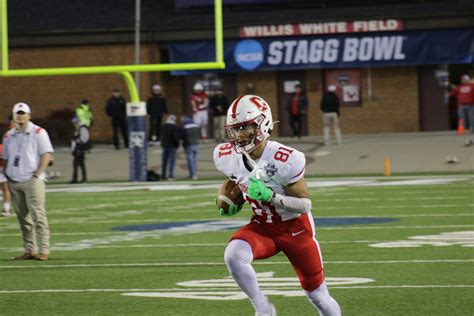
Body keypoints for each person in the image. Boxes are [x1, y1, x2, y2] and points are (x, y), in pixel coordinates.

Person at [213, 95, 341, 316]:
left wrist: (270, 196)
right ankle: (263, 309)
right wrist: (237, 198)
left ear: (262, 124)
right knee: (234, 255)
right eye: (235, 129)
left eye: (245, 128)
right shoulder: (225, 155)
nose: (239, 135)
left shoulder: (286, 158)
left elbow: (304, 205)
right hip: (263, 225)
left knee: (317, 295)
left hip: (295, 228)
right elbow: (239, 181)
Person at [2, 102, 54, 261]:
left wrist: (37, 175)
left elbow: (47, 155)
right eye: (17, 113)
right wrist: (7, 174)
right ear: (13, 116)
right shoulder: (8, 135)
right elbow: (4, 158)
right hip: (14, 180)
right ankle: (29, 250)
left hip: (32, 180)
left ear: (29, 115)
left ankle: (44, 250)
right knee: (23, 219)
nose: (20, 116)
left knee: (38, 216)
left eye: (23, 113)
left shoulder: (38, 132)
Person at [449, 74, 474, 145]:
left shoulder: (472, 86)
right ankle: (462, 129)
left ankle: (472, 129)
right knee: (461, 118)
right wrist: (449, 94)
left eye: (465, 79)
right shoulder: (459, 87)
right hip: (461, 105)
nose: (464, 80)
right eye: (463, 79)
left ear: (468, 79)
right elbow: (453, 92)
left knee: (471, 117)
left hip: (471, 105)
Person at [69, 116, 90, 184]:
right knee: (79, 164)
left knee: (78, 164)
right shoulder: (78, 129)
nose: (74, 124)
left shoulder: (82, 128)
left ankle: (80, 179)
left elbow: (84, 139)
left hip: (80, 149)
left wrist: (77, 141)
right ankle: (81, 179)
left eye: (75, 123)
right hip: (77, 150)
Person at [160, 114, 180, 181]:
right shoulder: (174, 127)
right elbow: (176, 138)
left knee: (164, 162)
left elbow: (161, 136)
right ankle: (170, 175)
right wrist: (177, 145)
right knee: (172, 162)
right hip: (172, 147)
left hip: (165, 146)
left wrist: (162, 144)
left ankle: (163, 175)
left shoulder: (163, 126)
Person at [180, 115, 200, 180]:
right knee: (194, 160)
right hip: (195, 144)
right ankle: (194, 174)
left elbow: (182, 135)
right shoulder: (195, 125)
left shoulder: (184, 126)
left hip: (188, 144)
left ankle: (193, 175)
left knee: (190, 160)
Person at [0, 143, 11, 217]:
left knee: (5, 188)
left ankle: (6, 208)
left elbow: (5, 158)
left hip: (2, 168)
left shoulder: (1, 147)